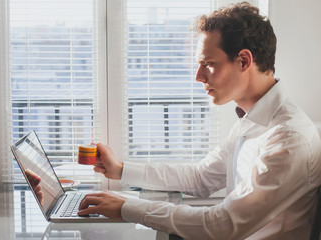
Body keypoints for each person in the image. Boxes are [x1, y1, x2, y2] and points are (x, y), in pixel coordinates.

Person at [78, 2, 321, 239]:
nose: (198, 76)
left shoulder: (287, 138)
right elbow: (201, 177)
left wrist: (126, 207)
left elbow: (222, 226)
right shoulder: (252, 120)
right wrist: (121, 170)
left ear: (244, 61)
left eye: (209, 64)